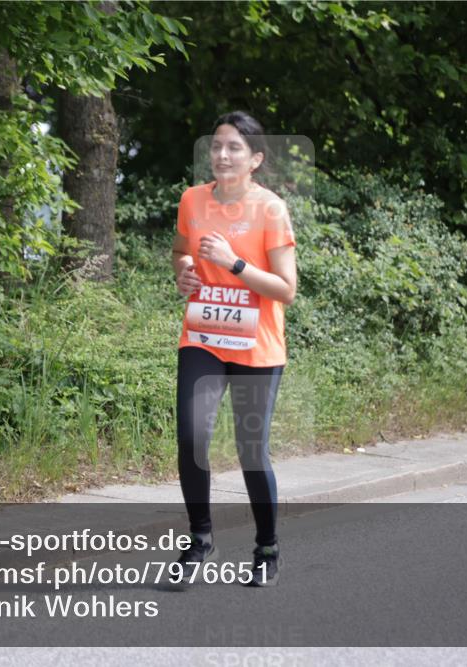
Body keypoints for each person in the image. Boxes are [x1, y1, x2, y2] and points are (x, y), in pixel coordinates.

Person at [170, 111, 297, 586]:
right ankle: (200, 539)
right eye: (217, 146)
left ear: (255, 159)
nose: (222, 155)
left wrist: (234, 263)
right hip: (203, 336)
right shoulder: (192, 199)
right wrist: (184, 272)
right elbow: (181, 250)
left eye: (234, 148)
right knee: (192, 437)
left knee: (250, 451)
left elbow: (286, 289)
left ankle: (267, 547)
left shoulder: (271, 209)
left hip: (256, 345)